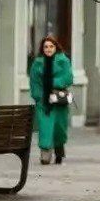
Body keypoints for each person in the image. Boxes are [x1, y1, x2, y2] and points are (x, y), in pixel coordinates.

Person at [28, 36, 73, 165]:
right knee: (45, 127)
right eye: (46, 47)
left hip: (59, 100)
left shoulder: (63, 61)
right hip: (43, 101)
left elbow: (68, 78)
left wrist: (52, 82)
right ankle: (45, 154)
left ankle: (59, 152)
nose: (48, 49)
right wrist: (37, 95)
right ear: (42, 49)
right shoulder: (37, 63)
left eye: (51, 46)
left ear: (56, 47)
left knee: (59, 128)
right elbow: (34, 81)